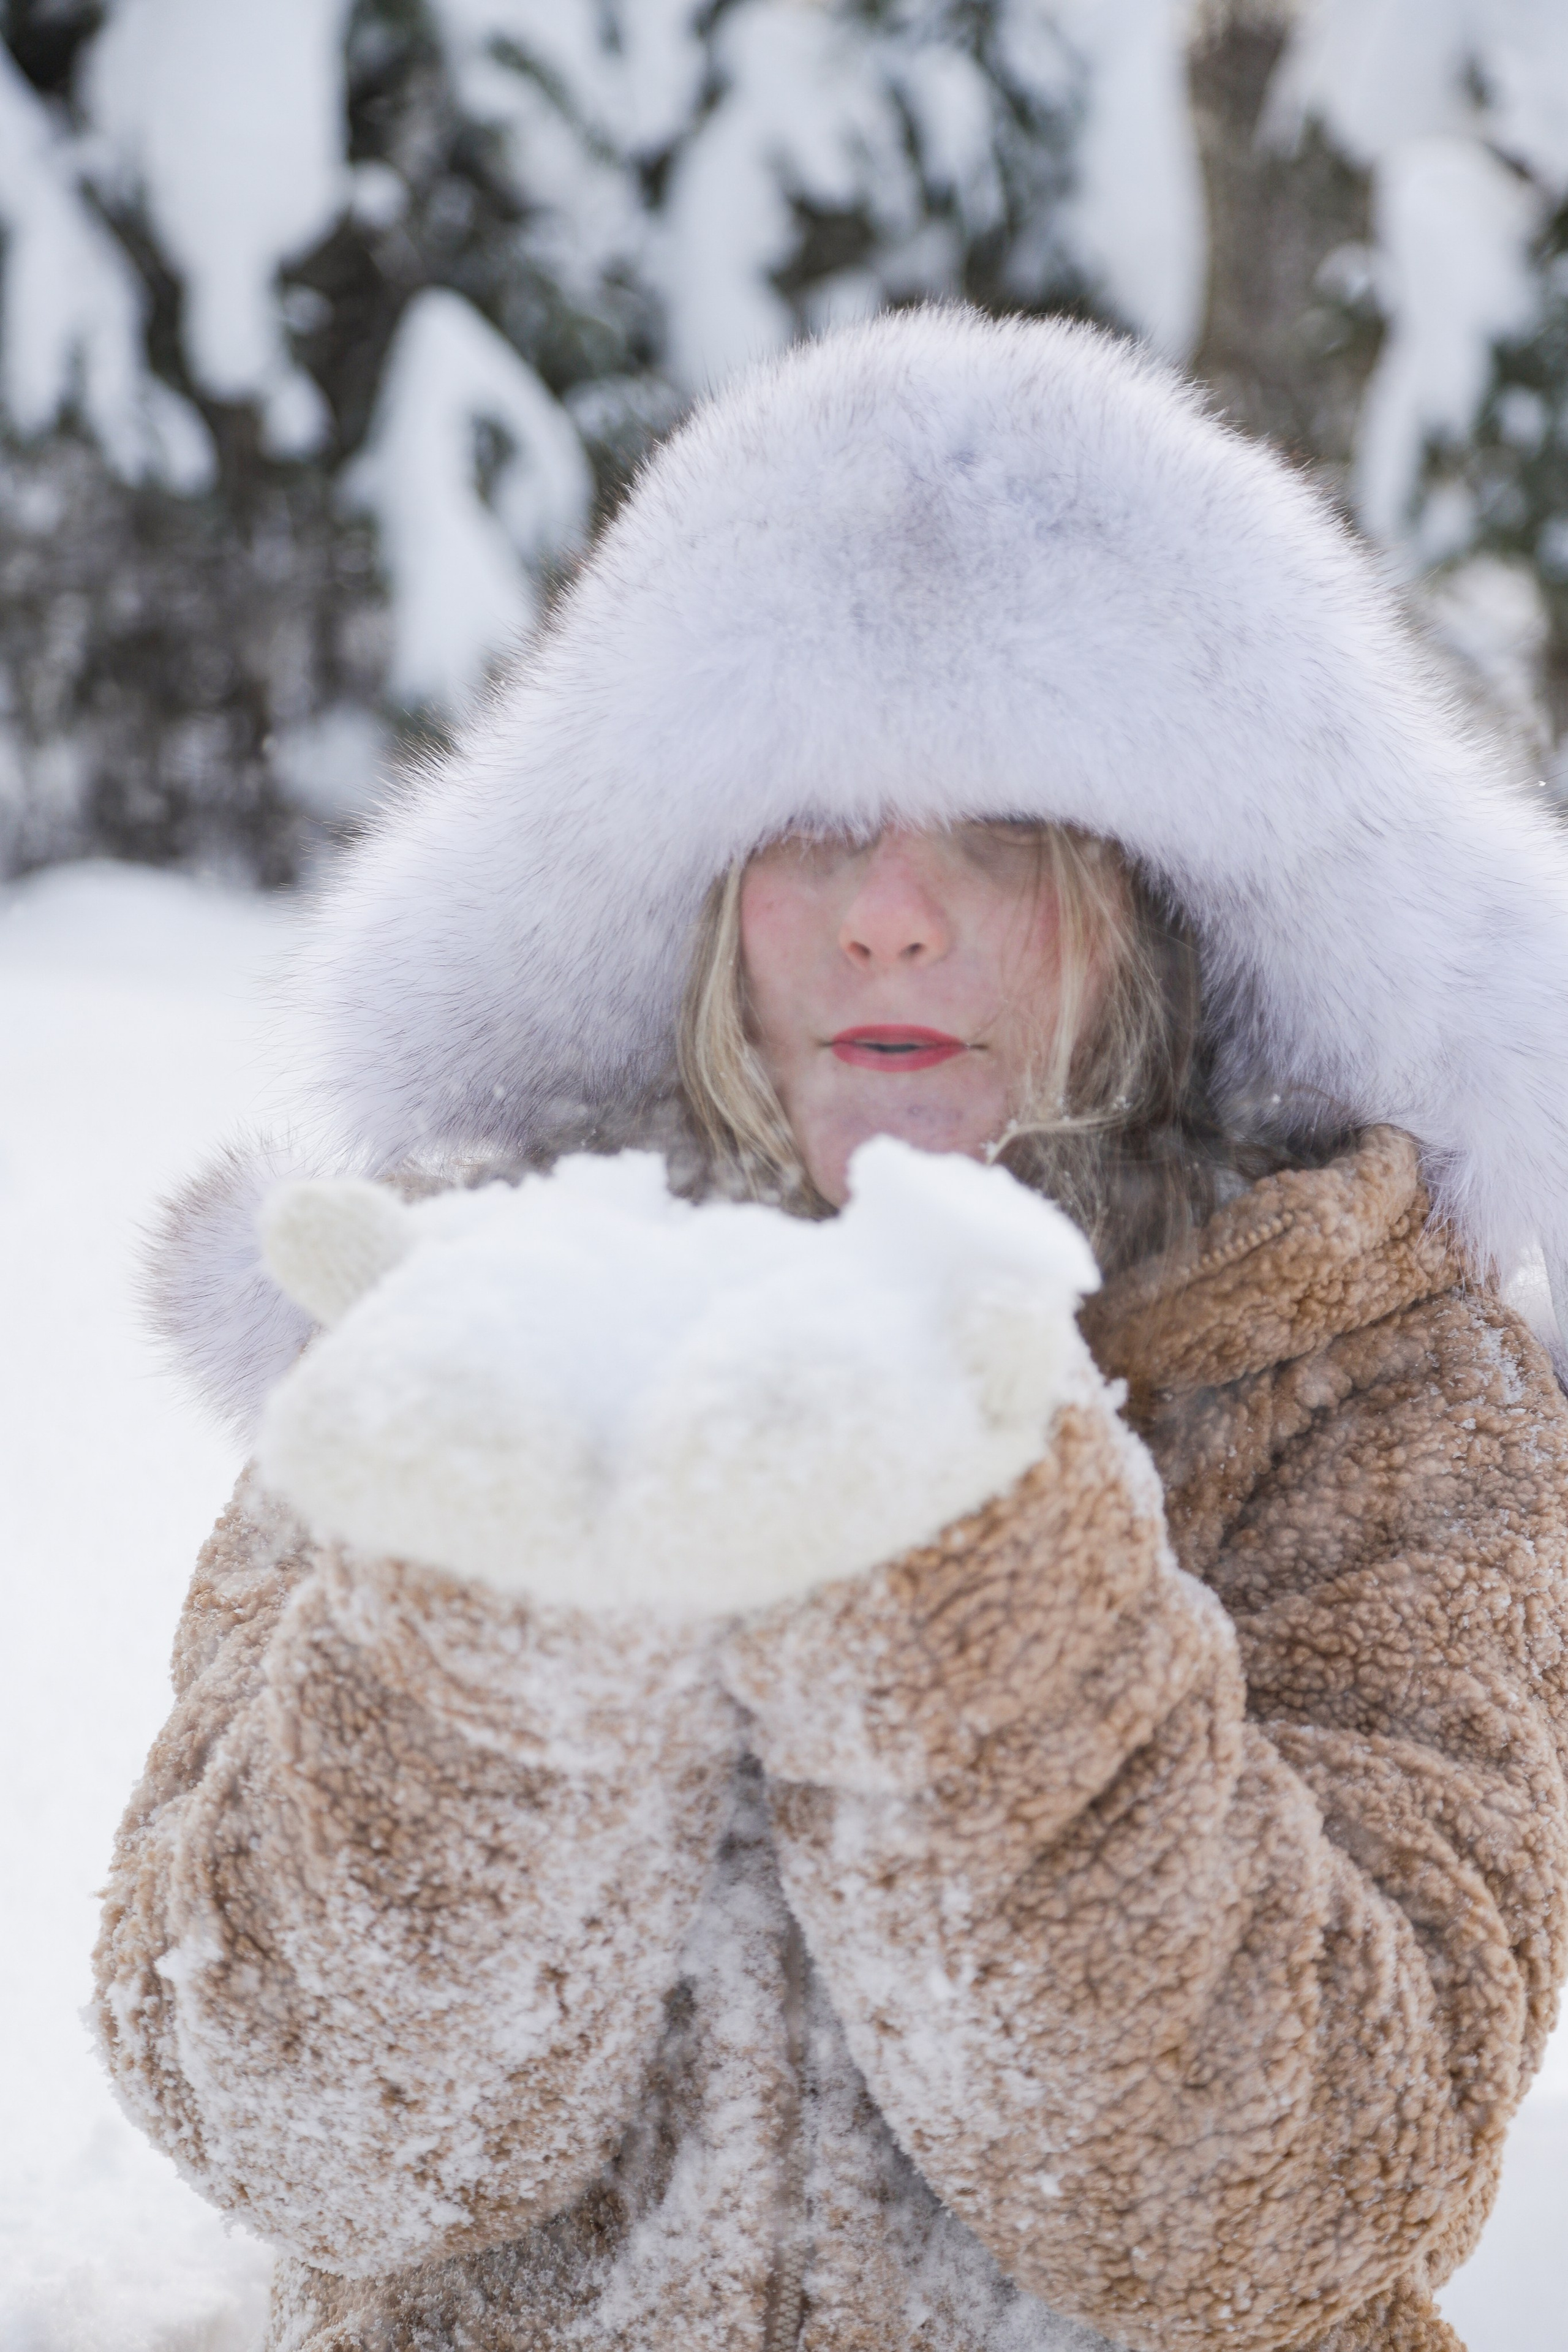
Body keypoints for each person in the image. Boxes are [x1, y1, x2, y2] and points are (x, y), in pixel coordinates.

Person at [96, 309, 1568, 2352]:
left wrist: (973, 1534)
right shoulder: (474, 1322)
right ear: (698, 903)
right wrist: (499, 1581)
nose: (889, 914)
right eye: (810, 832)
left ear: (1155, 902)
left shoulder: (1377, 1380)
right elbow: (296, 2126)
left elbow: (1313, 2181)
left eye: (999, 837)